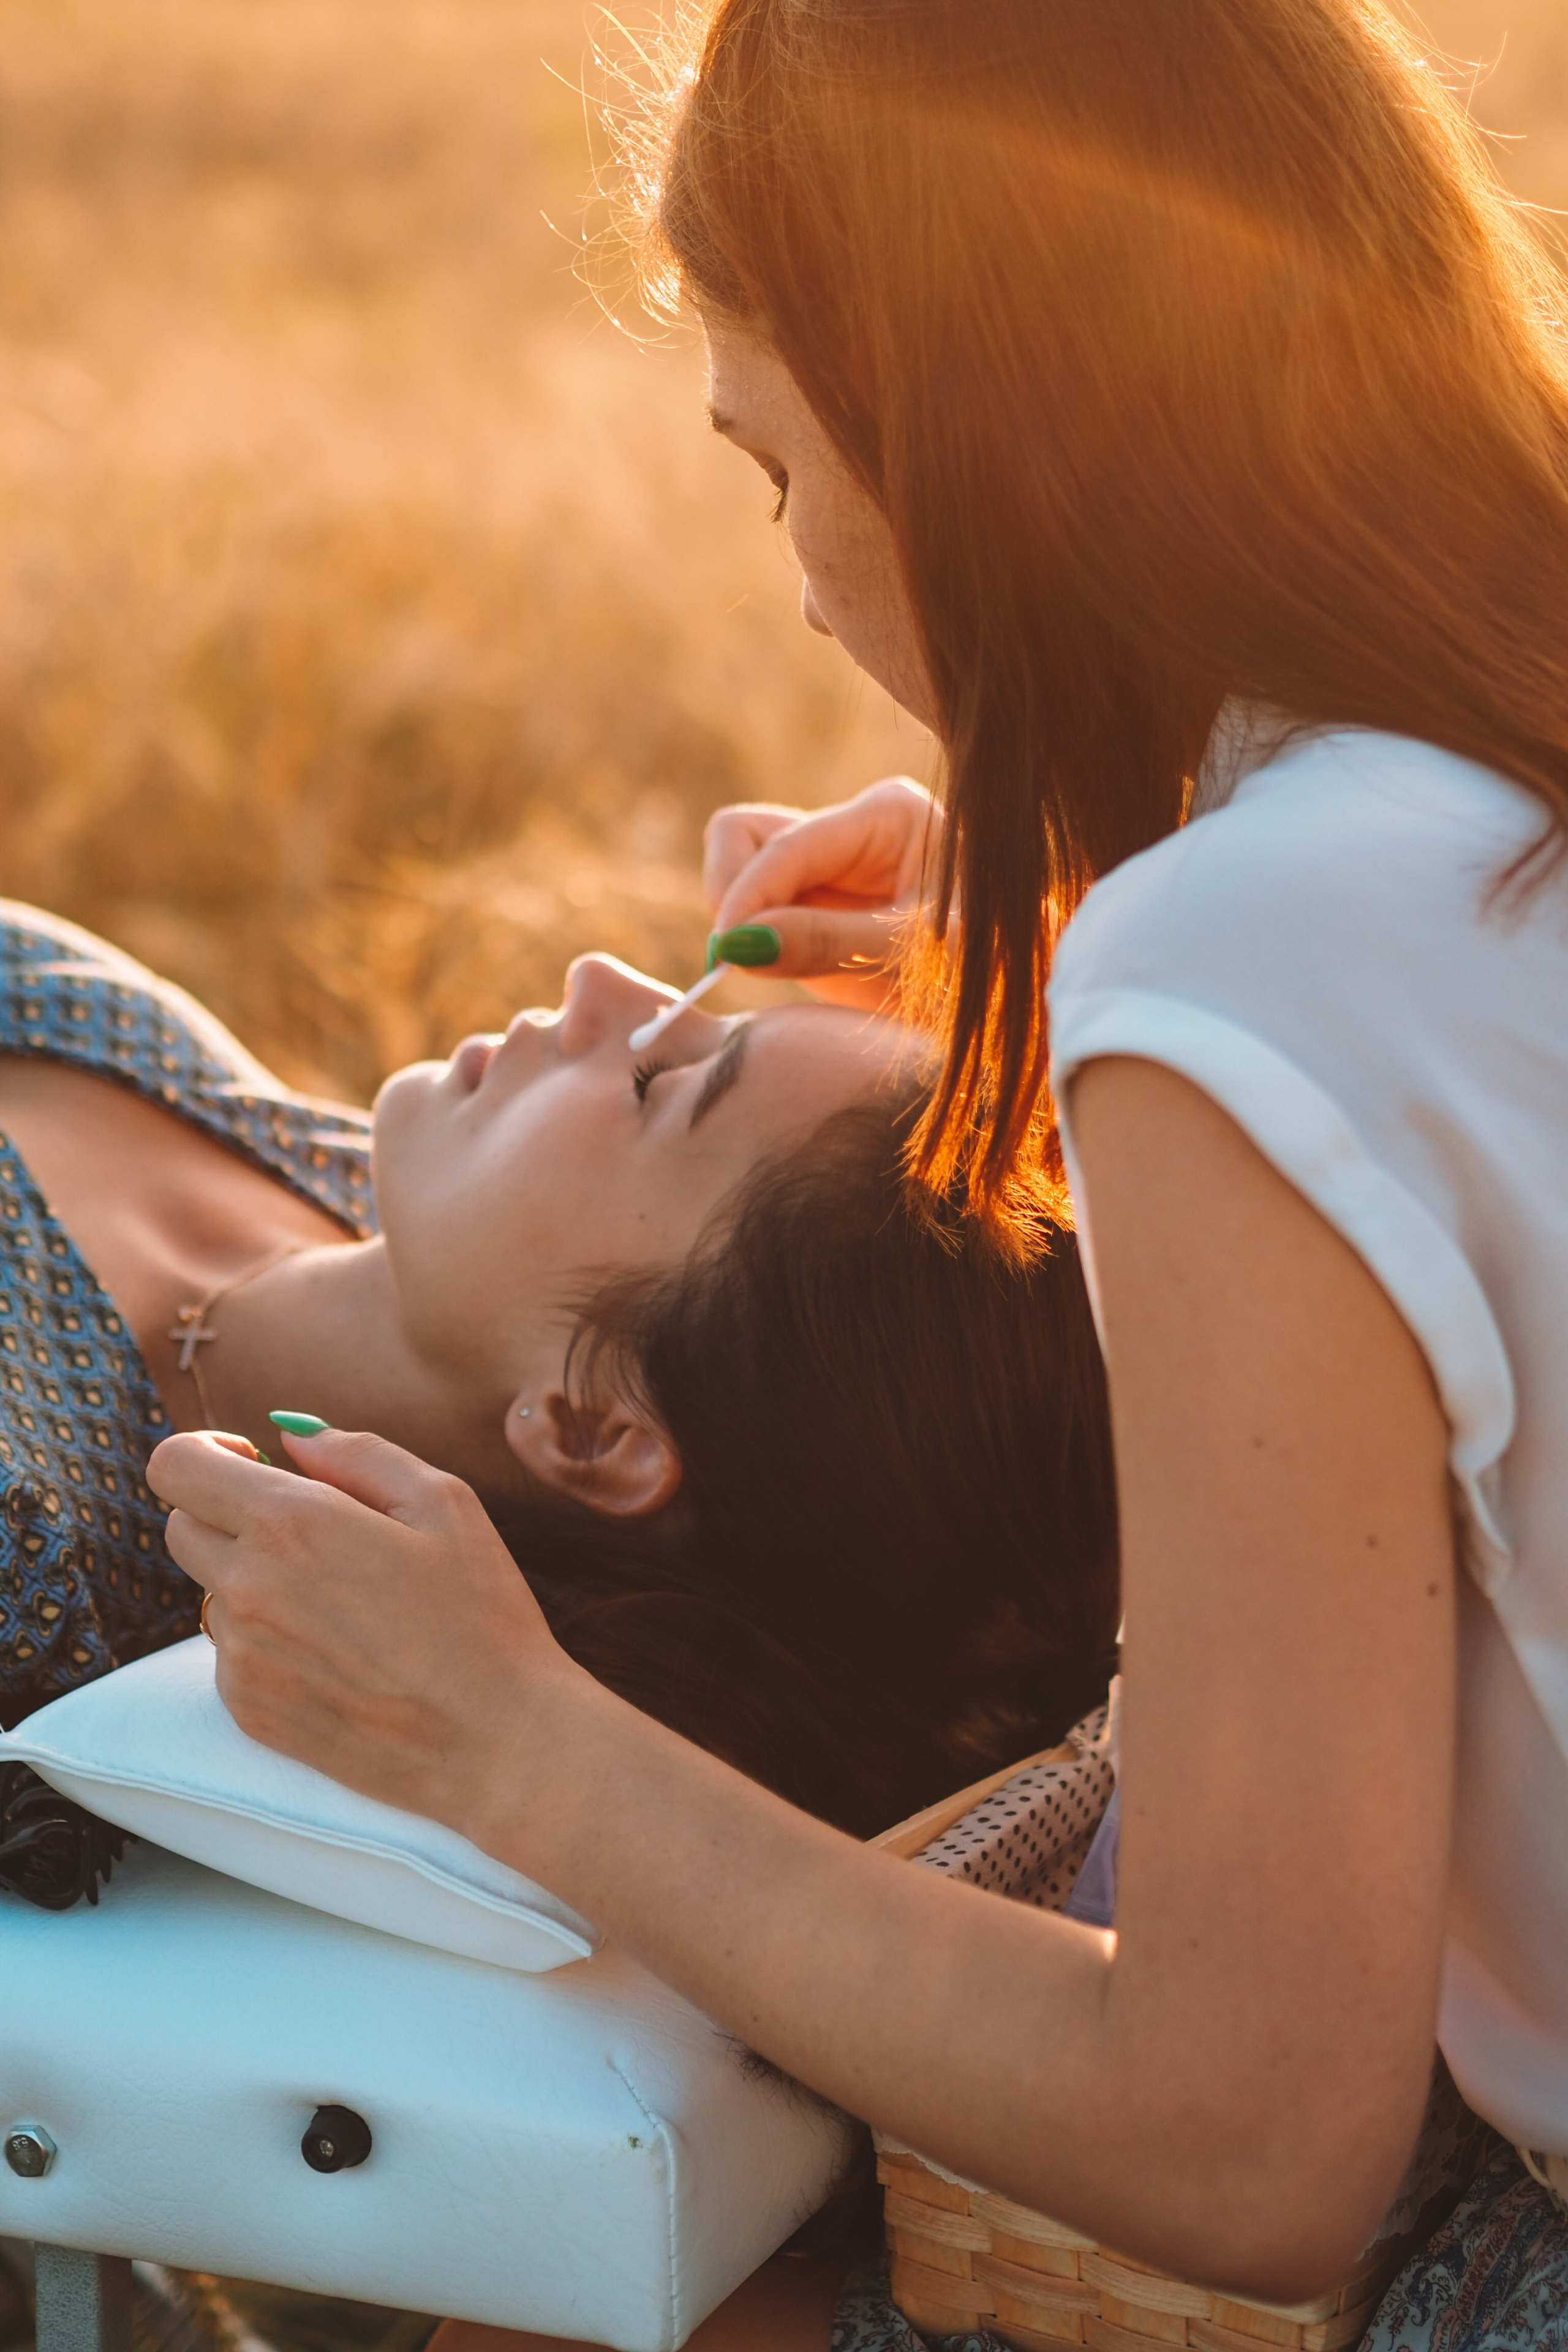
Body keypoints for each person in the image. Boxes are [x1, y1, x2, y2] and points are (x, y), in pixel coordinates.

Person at [147, 0, 1568, 2343]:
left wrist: (516, 1745)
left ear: (982, 450)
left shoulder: (1250, 975)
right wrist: (1126, 884)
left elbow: (1243, 2138)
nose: (805, 585)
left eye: (778, 469)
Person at [0, 899, 1117, 1869]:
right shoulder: (330, 1169)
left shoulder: (30, 1537)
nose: (604, 981)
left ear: (593, 1429)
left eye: (655, 1082)